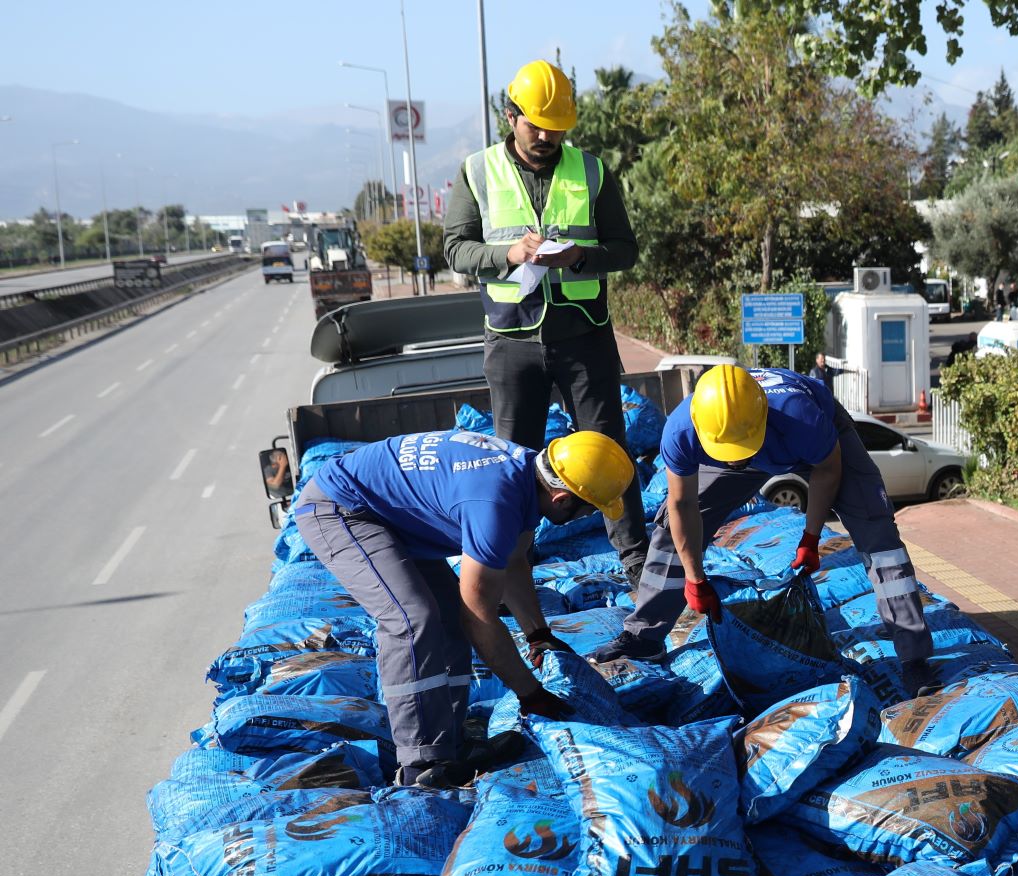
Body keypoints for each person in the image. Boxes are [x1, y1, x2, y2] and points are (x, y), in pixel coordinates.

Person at [295, 430, 637, 788]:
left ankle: (451, 746)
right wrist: (530, 693)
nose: (587, 517)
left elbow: (515, 561)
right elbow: (479, 616)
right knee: (413, 621)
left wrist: (539, 634)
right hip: (340, 508)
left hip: (386, 512)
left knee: (447, 621)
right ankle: (418, 764)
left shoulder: (527, 476)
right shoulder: (494, 503)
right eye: (589, 509)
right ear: (563, 499)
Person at [588, 364, 937, 697]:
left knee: (878, 533)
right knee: (668, 530)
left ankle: (913, 655)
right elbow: (683, 506)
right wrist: (694, 578)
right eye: (731, 453)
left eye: (741, 450)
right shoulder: (683, 430)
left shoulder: (800, 415)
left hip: (803, 443)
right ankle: (644, 636)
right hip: (743, 443)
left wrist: (811, 537)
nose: (738, 459)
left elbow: (827, 472)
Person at [442, 58, 648, 586]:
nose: (547, 138)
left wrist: (580, 256)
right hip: (511, 340)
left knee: (607, 447)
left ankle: (636, 561)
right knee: (514, 461)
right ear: (510, 116)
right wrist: (508, 253)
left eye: (557, 131)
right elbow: (455, 250)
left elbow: (625, 250)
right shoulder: (476, 171)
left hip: (584, 336)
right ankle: (515, 568)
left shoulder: (593, 171)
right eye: (537, 127)